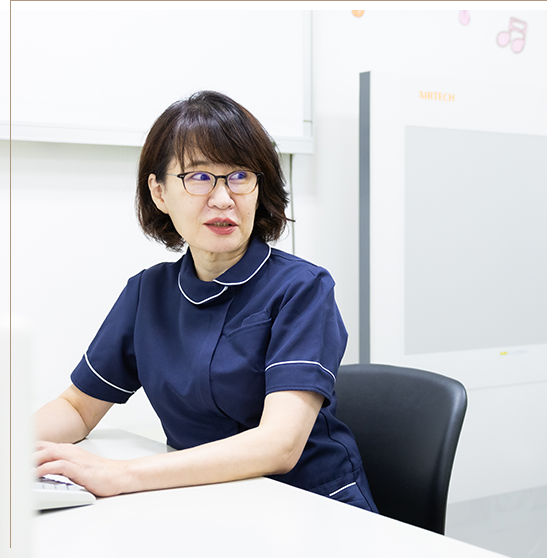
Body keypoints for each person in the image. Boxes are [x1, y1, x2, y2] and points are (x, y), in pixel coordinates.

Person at [33, 90, 377, 513]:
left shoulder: (302, 288)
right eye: (198, 177)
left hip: (312, 508)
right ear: (159, 192)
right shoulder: (148, 293)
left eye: (239, 176)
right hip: (205, 502)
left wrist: (121, 475)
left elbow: (279, 445)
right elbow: (77, 407)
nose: (223, 198)